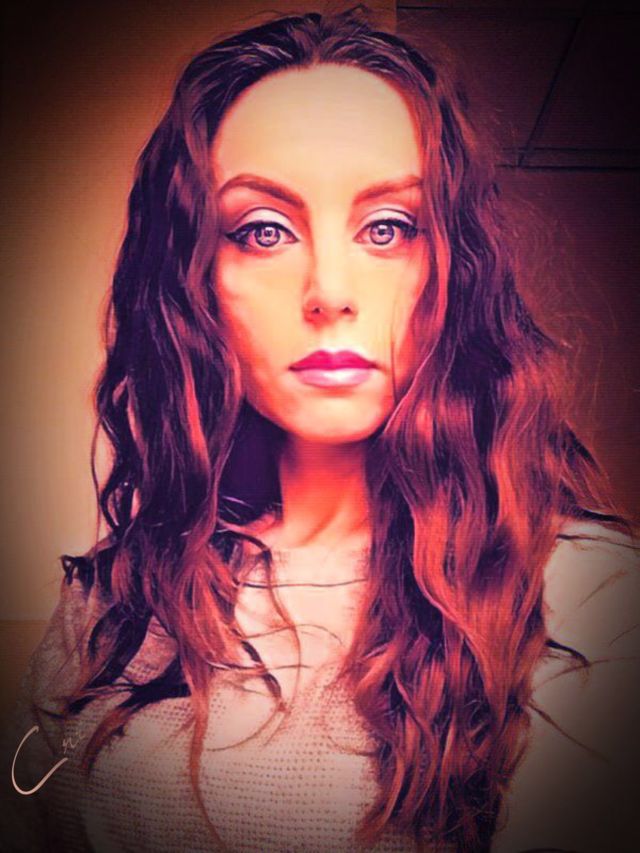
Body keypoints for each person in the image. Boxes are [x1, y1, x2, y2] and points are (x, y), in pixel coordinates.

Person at [2, 8, 638, 852]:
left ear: (457, 268)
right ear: (194, 281)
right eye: (263, 231)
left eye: (389, 228)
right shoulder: (111, 599)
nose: (329, 291)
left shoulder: (588, 595)